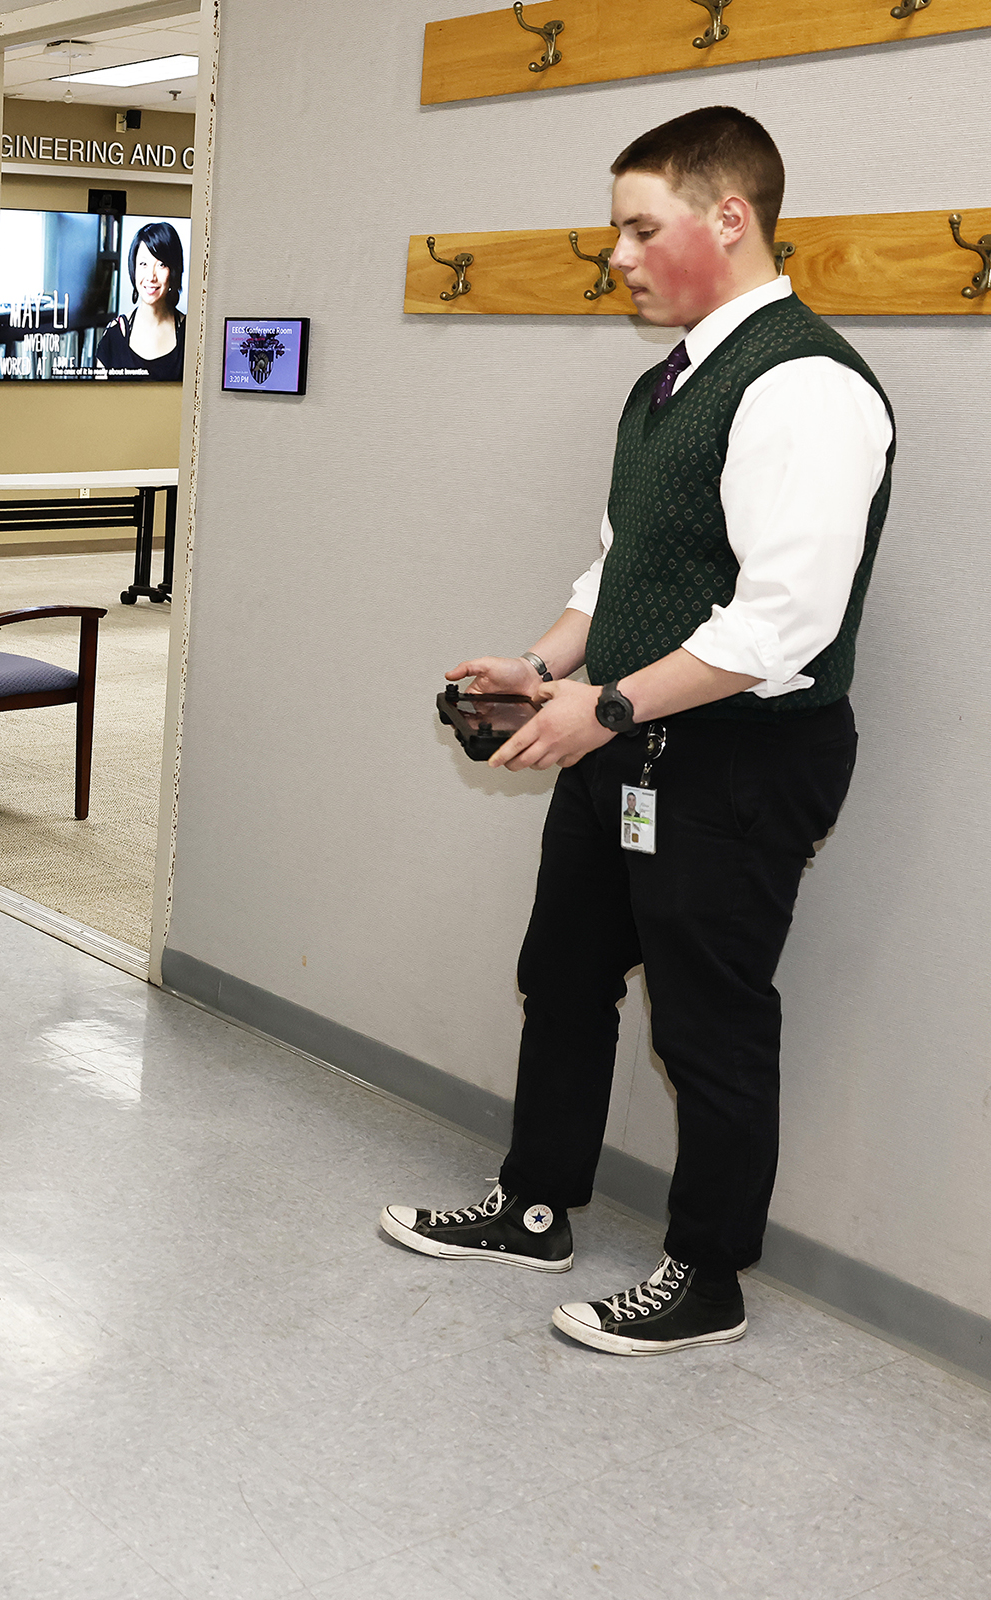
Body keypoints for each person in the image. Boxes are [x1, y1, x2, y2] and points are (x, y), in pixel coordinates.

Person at [382, 107, 890, 1356]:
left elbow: (783, 624)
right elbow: (622, 567)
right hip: (627, 737)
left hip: (742, 759)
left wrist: (602, 706)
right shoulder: (665, 383)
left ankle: (705, 1275)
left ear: (730, 218)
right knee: (562, 975)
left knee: (708, 1026)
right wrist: (543, 663)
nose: (617, 252)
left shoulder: (809, 390)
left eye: (638, 225)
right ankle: (537, 1202)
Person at [92, 221, 184, 381]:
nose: (151, 276)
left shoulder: (191, 334)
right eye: (143, 264)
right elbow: (99, 400)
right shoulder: (114, 335)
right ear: (133, 268)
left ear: (174, 270)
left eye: (161, 265)